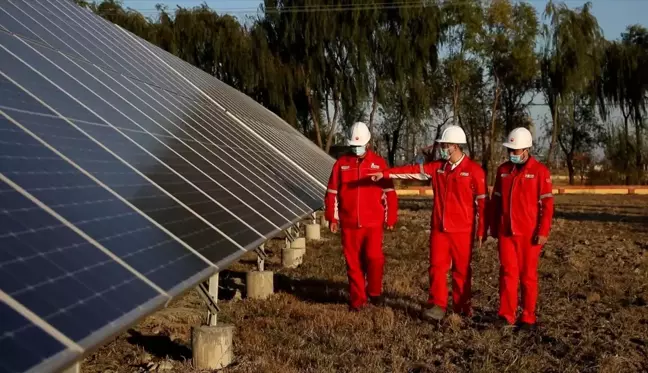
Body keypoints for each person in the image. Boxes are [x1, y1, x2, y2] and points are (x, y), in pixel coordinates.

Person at [369, 125, 487, 321]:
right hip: (439, 229)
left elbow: (483, 204)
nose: (442, 148)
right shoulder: (438, 168)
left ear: (456, 146)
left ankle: (462, 309)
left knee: (462, 271)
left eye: (445, 145)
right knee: (436, 268)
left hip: (463, 231)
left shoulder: (474, 171)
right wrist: (386, 173)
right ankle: (437, 305)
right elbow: (412, 171)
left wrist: (482, 229)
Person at [324, 121, 398, 311]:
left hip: (373, 222)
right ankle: (358, 300)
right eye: (354, 146)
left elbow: (389, 191)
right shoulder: (341, 164)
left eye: (360, 145)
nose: (357, 149)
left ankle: (374, 291)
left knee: (374, 258)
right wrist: (332, 217)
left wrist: (391, 217)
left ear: (367, 143)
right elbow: (332, 191)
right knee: (353, 263)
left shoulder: (379, 163)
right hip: (349, 223)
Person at [489, 127, 554, 330]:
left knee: (528, 276)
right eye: (510, 150)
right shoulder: (502, 171)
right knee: (507, 273)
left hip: (530, 235)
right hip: (506, 232)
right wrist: (492, 226)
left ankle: (528, 317)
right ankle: (506, 314)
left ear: (526, 149)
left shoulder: (540, 172)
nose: (511, 154)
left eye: (515, 151)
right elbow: (495, 201)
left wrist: (543, 232)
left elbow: (547, 206)